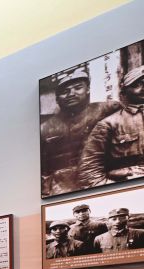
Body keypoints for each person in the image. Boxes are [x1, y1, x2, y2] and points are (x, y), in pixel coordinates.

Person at [40, 65, 121, 195]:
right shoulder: (45, 128)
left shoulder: (107, 110)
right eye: (64, 91)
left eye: (78, 88)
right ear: (57, 98)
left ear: (87, 90)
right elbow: (43, 167)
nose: (71, 94)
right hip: (61, 188)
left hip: (102, 179)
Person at [79, 66, 144, 188]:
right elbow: (89, 171)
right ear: (124, 92)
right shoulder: (108, 124)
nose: (143, 87)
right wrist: (117, 190)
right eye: (136, 85)